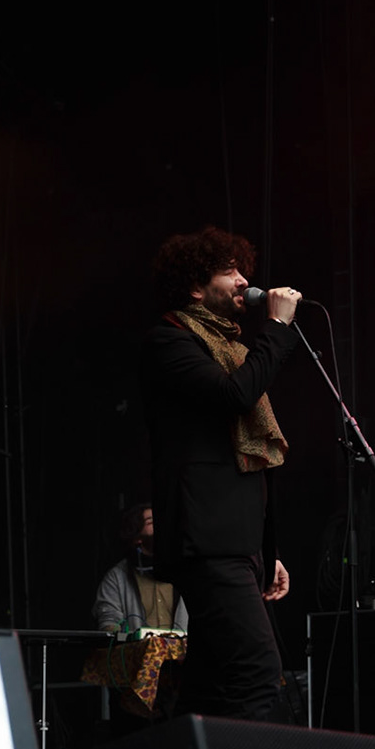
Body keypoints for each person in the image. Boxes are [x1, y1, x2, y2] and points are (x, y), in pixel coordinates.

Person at [140, 225, 298, 720]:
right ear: (195, 286)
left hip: (236, 544)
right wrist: (276, 329)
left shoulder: (228, 346)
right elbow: (235, 396)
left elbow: (247, 463)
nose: (242, 279)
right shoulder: (170, 340)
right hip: (206, 541)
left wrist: (265, 552)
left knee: (209, 688)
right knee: (257, 670)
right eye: (228, 270)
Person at [93, 503, 189, 634]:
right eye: (151, 522)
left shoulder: (186, 569)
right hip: (137, 653)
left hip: (182, 653)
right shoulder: (118, 576)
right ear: (137, 537)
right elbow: (109, 619)